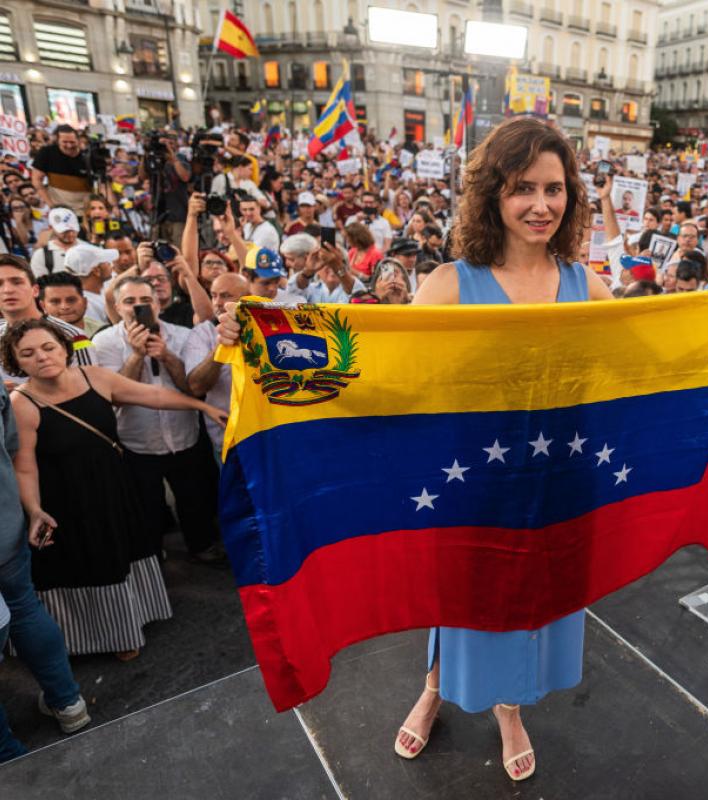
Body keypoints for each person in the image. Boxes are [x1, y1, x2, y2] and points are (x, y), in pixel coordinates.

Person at [212, 117, 612, 782]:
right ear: (492, 195)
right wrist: (261, 337)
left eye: (555, 188)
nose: (542, 205)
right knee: (459, 599)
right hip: (471, 481)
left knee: (529, 596)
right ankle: (434, 690)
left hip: (551, 481)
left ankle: (508, 707)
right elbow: (380, 368)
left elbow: (639, 368)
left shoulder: (590, 286)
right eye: (522, 189)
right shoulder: (451, 284)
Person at [4, 319, 225, 656]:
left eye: (48, 347)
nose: (42, 357)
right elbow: (25, 466)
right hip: (69, 501)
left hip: (113, 488)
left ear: (64, 349)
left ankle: (132, 619)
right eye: (29, 353)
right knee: (92, 562)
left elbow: (153, 396)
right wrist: (34, 509)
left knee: (124, 551)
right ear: (17, 362)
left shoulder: (95, 377)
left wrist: (203, 406)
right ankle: (108, 639)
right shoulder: (23, 404)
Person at [92, 276, 225, 563]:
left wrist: (165, 355)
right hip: (137, 442)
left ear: (158, 304)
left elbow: (192, 387)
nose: (138, 307)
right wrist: (137, 355)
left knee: (193, 500)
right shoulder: (103, 342)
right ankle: (152, 557)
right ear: (117, 306)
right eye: (129, 301)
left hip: (184, 437)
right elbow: (115, 394)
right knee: (146, 507)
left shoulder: (181, 335)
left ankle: (202, 546)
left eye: (145, 300)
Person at [0, 377, 90, 757]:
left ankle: (8, 751)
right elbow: (10, 443)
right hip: (4, 526)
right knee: (24, 606)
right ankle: (69, 703)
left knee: (22, 606)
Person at [184, 272, 250, 460]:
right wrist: (222, 346)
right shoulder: (202, 334)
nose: (217, 303)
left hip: (267, 434)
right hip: (228, 439)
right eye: (213, 295)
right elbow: (197, 386)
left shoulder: (267, 329)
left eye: (226, 296)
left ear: (246, 299)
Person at [1, 256, 93, 388]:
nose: (8, 290)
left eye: (17, 282)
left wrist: (26, 395)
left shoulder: (73, 336)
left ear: (35, 290)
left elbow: (91, 388)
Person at [30, 125, 91, 217]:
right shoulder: (47, 153)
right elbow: (36, 180)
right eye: (65, 142)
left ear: (78, 140)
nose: (69, 146)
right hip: (61, 211)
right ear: (57, 141)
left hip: (87, 209)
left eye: (72, 142)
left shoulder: (88, 154)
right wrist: (51, 205)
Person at [61, 241, 116, 325]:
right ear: (96, 271)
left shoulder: (107, 285)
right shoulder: (86, 306)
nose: (111, 265)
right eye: (106, 262)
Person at [37, 272, 107, 337]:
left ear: (85, 302)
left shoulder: (104, 332)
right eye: (55, 302)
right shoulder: (34, 337)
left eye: (71, 300)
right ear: (43, 306)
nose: (64, 307)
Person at [30, 207, 82, 278]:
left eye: (73, 229)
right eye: (65, 231)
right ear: (51, 228)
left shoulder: (90, 250)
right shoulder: (41, 255)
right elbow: (40, 284)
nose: (71, 234)